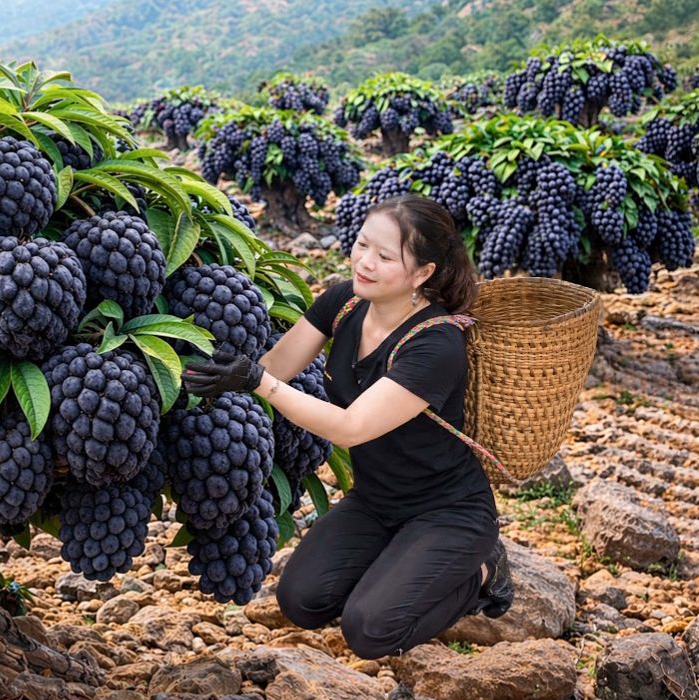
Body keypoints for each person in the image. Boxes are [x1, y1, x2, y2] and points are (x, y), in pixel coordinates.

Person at [181, 195, 513, 660]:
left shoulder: (437, 344)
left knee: (369, 631)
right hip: (376, 501)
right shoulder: (344, 303)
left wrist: (258, 383)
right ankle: (398, 565)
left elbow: (349, 427)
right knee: (301, 600)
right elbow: (277, 365)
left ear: (423, 274)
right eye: (361, 245)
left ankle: (483, 574)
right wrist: (200, 372)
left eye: (385, 256)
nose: (365, 262)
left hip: (448, 510)